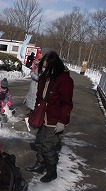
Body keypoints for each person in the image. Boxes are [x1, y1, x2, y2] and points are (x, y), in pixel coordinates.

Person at [26, 51, 74, 183]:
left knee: (48, 146)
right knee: (40, 141)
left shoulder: (65, 80)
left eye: (47, 67)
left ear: (55, 65)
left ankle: (52, 171)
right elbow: (39, 97)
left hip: (55, 119)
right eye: (44, 66)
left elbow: (67, 103)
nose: (45, 69)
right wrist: (35, 112)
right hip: (43, 116)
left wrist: (63, 121)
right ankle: (40, 164)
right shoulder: (44, 77)